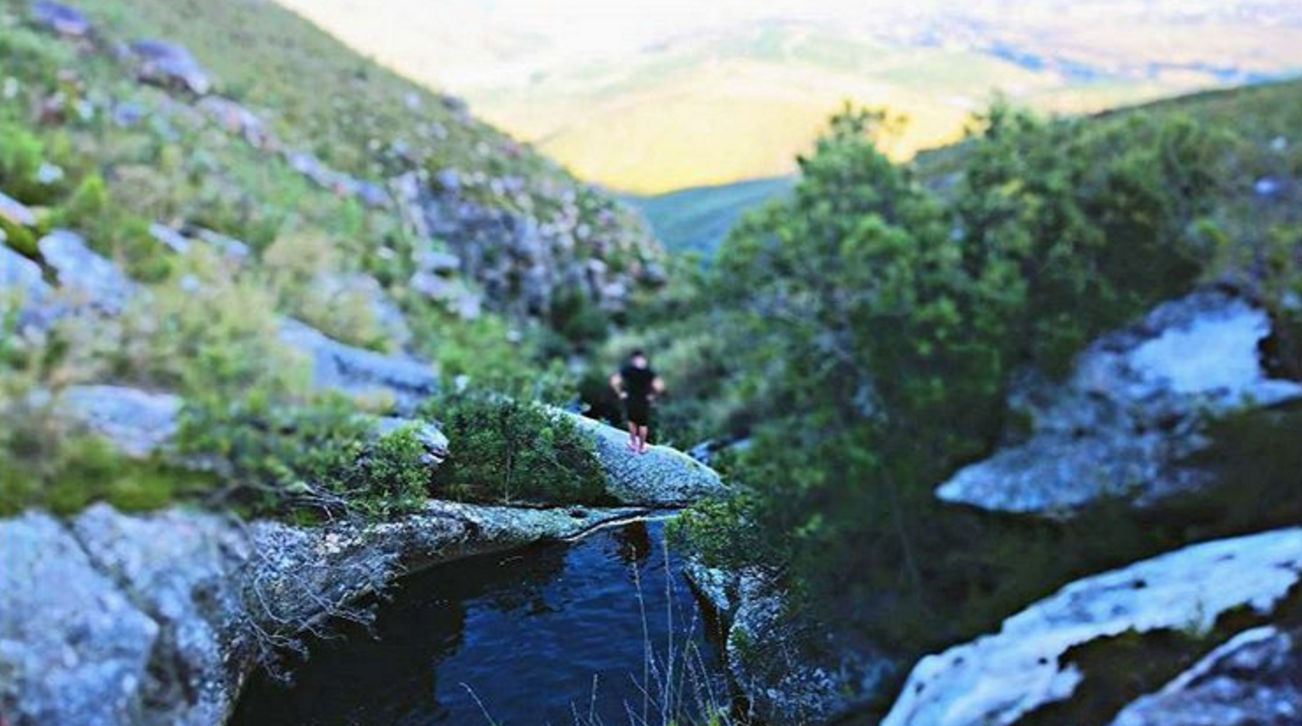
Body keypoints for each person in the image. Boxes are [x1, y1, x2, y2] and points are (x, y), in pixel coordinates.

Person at [609, 349, 664, 454]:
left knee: (632, 421)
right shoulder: (649, 371)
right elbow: (659, 386)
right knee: (643, 424)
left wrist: (620, 393)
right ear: (643, 359)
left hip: (631, 399)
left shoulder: (628, 369)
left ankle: (633, 443)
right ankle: (642, 447)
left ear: (633, 359)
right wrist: (653, 395)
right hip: (644, 399)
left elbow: (614, 381)